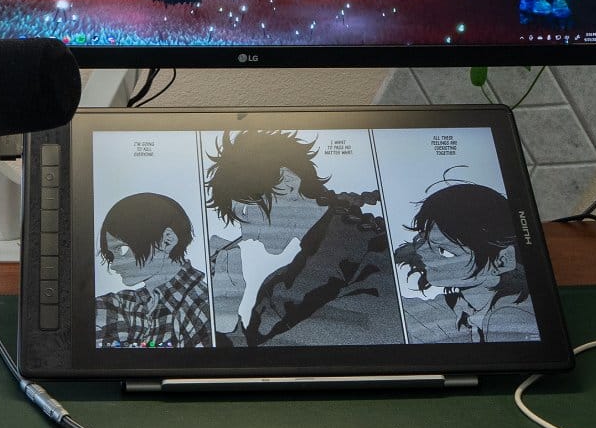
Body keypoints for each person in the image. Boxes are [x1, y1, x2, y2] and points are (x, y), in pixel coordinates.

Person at [204, 129, 400, 347]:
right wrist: (226, 312)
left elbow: (285, 358)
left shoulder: (373, 254)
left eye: (245, 213)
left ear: (287, 182)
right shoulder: (286, 278)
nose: (246, 233)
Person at [394, 181, 538, 344]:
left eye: (445, 251)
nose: (420, 253)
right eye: (422, 240)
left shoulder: (511, 316)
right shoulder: (461, 305)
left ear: (502, 261)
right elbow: (402, 312)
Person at [94, 192, 212, 349]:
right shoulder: (119, 305)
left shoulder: (201, 306)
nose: (114, 264)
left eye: (122, 249)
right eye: (110, 254)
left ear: (167, 240)